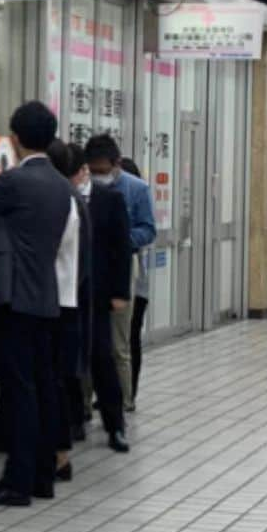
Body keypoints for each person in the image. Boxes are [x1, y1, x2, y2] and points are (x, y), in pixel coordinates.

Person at [0, 102, 74, 507]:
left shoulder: (15, 181)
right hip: (45, 298)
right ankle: (41, 476)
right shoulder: (62, 185)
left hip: (16, 301)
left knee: (20, 392)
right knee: (40, 389)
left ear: (16, 139)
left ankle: (16, 482)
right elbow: (21, 225)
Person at [55, 144, 131, 454]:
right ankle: (74, 421)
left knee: (102, 359)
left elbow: (121, 249)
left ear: (83, 171)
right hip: (67, 292)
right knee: (68, 360)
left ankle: (115, 425)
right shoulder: (59, 198)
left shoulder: (110, 199)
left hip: (98, 295)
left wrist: (119, 292)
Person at [85, 135, 156, 412]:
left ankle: (123, 402)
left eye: (103, 171)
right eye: (93, 171)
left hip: (123, 265)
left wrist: (119, 238)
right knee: (89, 341)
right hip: (89, 268)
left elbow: (148, 229)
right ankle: (84, 405)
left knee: (119, 344)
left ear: (117, 164)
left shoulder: (136, 189)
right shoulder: (82, 186)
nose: (97, 176)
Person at [46, 139, 90, 481]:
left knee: (54, 382)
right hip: (63, 302)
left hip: (60, 303)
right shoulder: (69, 197)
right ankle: (58, 453)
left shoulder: (66, 200)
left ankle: (58, 455)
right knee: (56, 381)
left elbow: (82, 261)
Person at [120, 156, 151, 404]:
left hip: (136, 286)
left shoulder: (139, 202)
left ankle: (129, 392)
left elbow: (146, 235)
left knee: (130, 340)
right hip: (133, 286)